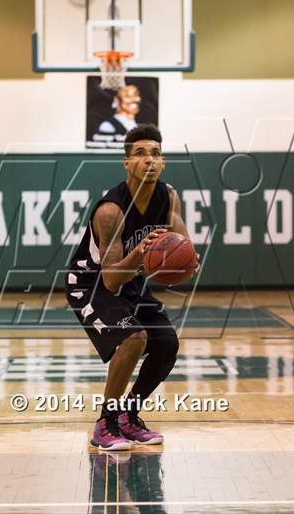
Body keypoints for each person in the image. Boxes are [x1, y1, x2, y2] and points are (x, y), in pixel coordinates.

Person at [65, 124, 199, 450]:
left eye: (154, 154)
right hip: (91, 283)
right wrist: (140, 254)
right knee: (134, 337)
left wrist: (187, 261)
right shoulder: (111, 211)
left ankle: (128, 415)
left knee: (166, 345)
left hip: (131, 281)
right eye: (139, 154)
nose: (148, 160)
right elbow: (110, 279)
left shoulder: (168, 197)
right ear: (127, 163)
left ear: (163, 161)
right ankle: (105, 423)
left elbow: (183, 247)